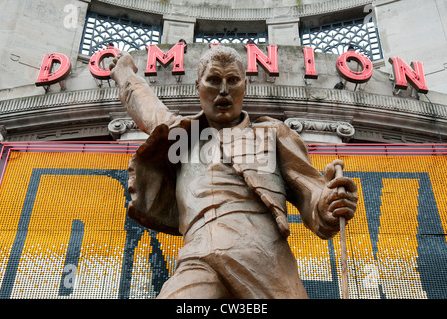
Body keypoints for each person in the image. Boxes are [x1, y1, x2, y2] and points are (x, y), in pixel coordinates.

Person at [109, 45, 358, 299]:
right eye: (214, 80)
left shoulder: (271, 134)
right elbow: (143, 103)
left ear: (245, 86)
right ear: (198, 87)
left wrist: (329, 201)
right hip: (198, 256)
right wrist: (125, 71)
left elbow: (311, 190)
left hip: (264, 258)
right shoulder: (182, 136)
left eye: (233, 80)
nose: (224, 91)